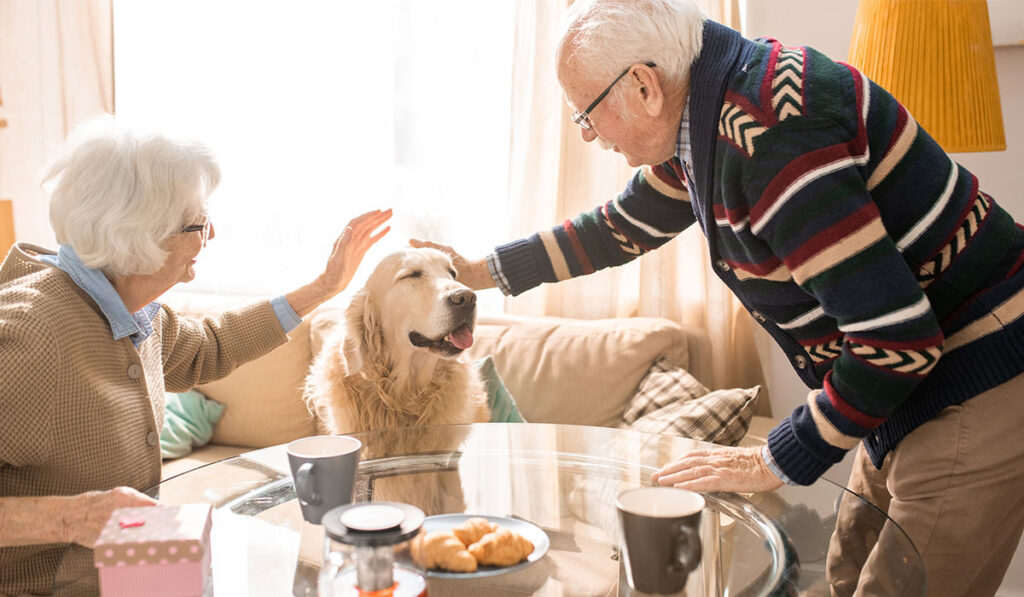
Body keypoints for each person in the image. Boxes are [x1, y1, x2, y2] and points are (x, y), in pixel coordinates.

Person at [411, 0, 1024, 595]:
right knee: (845, 572)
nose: (590, 135)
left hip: (979, 371)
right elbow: (619, 227)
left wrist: (770, 460)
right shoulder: (711, 111)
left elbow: (897, 340)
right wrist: (479, 271)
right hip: (912, 375)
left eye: (586, 114)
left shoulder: (771, 138)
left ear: (645, 86)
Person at [0, 117, 391, 595]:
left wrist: (324, 287)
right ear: (139, 235)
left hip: (123, 578)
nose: (212, 234)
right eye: (199, 223)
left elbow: (209, 347)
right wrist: (70, 517)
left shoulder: (126, 308)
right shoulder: (30, 335)